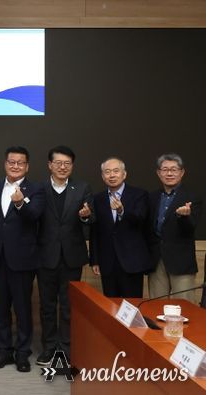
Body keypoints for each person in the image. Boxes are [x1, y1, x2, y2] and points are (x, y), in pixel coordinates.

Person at [0, 146, 44, 373]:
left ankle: (22, 353)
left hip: (23, 259)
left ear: (27, 166)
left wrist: (20, 203)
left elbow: (35, 216)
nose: (15, 166)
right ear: (5, 163)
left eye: (20, 163)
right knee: (0, 307)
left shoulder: (36, 189)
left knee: (23, 308)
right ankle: (3, 351)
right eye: (11, 162)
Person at [35, 146, 93, 366]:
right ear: (50, 165)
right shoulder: (39, 188)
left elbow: (91, 218)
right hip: (45, 255)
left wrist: (86, 216)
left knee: (69, 306)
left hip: (72, 256)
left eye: (67, 163)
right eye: (58, 163)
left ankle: (67, 348)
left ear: (72, 166)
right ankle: (49, 347)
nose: (62, 167)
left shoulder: (82, 188)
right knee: (47, 306)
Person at [89, 157, 151, 298]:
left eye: (116, 171)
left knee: (131, 305)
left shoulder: (139, 194)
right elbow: (95, 231)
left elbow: (140, 219)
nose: (112, 175)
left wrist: (122, 211)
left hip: (132, 262)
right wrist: (95, 260)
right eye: (107, 172)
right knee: (110, 304)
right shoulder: (98, 199)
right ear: (102, 176)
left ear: (124, 174)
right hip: (107, 262)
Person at [148, 153, 202, 303]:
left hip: (181, 262)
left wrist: (183, 217)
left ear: (182, 172)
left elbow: (190, 228)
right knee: (156, 305)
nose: (169, 173)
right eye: (165, 169)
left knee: (184, 307)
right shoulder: (152, 197)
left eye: (174, 169)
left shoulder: (192, 197)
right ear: (158, 173)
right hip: (156, 261)